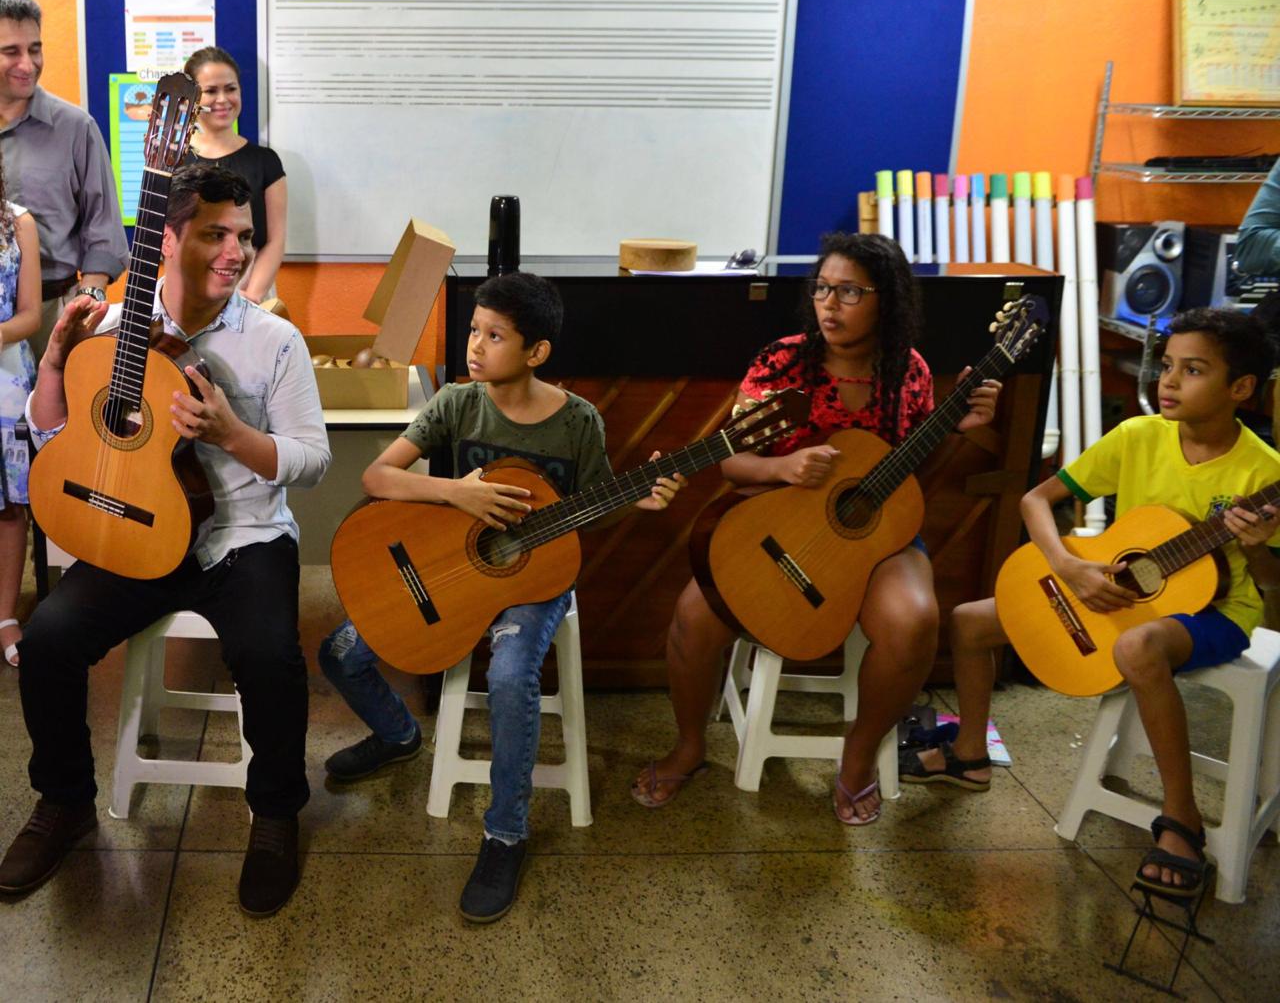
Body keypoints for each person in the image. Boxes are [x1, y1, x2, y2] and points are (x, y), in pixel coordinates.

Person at [0, 162, 331, 916]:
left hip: (242, 538)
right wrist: (55, 358)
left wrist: (234, 434)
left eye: (244, 236)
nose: (236, 252)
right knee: (47, 640)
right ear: (166, 237)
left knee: (271, 656)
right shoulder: (115, 331)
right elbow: (55, 434)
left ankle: (275, 815)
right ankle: (64, 803)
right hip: (138, 533)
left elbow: (312, 461)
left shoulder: (275, 340)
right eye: (215, 234)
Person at [319, 271, 684, 923]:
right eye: (473, 331)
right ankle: (398, 735)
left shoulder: (578, 423)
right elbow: (379, 475)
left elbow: (586, 511)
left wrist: (640, 498)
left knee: (513, 674)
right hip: (446, 567)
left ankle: (505, 832)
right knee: (340, 650)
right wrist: (457, 493)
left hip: (533, 581)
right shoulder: (458, 404)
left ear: (536, 352)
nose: (476, 346)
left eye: (494, 335)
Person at [901, 307, 1280, 899]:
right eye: (1169, 366)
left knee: (1138, 645)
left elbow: (1270, 584)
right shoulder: (1139, 436)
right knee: (969, 623)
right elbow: (1035, 500)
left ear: (1241, 388)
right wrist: (1069, 565)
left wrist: (1257, 549)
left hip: (1215, 615)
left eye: (1194, 370)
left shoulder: (1264, 473)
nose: (1170, 382)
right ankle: (970, 755)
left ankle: (1181, 820)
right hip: (1116, 592)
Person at [631, 232, 1001, 826]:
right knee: (693, 617)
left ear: (888, 300)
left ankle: (858, 756)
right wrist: (783, 467)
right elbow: (730, 461)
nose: (830, 304)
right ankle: (690, 746)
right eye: (824, 288)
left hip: (874, 537)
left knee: (914, 622)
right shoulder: (783, 362)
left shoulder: (908, 372)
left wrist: (954, 428)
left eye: (849, 291)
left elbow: (904, 470)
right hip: (778, 528)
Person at [0, 0, 128, 359]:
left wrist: (89, 295)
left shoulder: (76, 127)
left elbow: (105, 230)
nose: (28, 64)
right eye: (11, 52)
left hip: (53, 309)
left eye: (35, 48)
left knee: (54, 418)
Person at [183, 46, 287, 303]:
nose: (222, 99)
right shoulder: (172, 161)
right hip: (192, 294)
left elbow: (275, 240)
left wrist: (250, 297)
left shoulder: (265, 162)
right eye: (210, 91)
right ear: (191, 97)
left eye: (230, 89)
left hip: (253, 292)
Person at [0, 148, 41, 666]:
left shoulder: (18, 223)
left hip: (7, 380)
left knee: (10, 506)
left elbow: (31, 314)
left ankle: (5, 616)